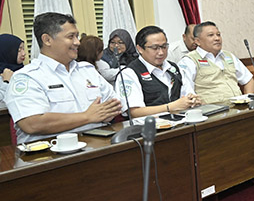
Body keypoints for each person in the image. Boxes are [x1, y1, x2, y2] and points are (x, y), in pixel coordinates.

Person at [4, 12, 122, 144]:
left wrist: (104, 113)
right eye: (71, 37)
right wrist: (87, 116)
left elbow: (115, 104)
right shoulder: (27, 77)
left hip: (97, 145)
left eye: (77, 36)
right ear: (47, 40)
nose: (77, 42)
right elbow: (32, 123)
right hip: (49, 156)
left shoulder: (87, 70)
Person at [115, 25, 201, 118]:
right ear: (140, 49)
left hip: (180, 122)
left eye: (164, 46)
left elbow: (187, 94)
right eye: (155, 48)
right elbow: (133, 112)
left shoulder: (174, 68)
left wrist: (192, 100)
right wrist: (169, 107)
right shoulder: (129, 73)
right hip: (148, 128)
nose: (161, 52)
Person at [178, 21, 254, 104]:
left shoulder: (228, 56)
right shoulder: (189, 61)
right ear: (197, 41)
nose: (217, 38)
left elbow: (248, 80)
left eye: (218, 34)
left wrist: (248, 101)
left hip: (238, 108)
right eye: (211, 35)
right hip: (213, 112)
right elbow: (187, 93)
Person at [0, 34, 26, 102]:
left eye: (23, 49)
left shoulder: (25, 70)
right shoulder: (2, 74)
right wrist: (6, 82)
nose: (24, 53)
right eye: (19, 50)